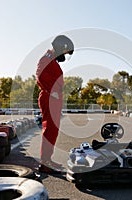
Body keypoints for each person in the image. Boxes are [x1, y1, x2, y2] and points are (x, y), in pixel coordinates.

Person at [36, 35, 74, 173]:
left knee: (53, 130)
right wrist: (50, 91)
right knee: (50, 129)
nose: (64, 55)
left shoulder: (52, 60)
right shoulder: (46, 58)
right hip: (49, 97)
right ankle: (45, 162)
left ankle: (48, 159)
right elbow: (39, 74)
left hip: (54, 98)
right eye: (65, 51)